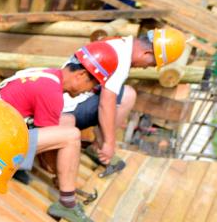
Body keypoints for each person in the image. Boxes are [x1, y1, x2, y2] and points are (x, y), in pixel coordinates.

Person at [0, 41, 117, 222]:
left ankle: (30, 171)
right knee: (71, 136)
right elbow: (50, 149)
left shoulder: (49, 76)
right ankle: (67, 202)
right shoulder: (51, 92)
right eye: (92, 86)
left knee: (68, 120)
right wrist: (58, 174)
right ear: (81, 75)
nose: (88, 92)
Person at [62, 28, 187, 176]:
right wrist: (110, 143)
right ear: (146, 53)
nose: (146, 67)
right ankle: (100, 147)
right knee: (124, 96)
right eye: (151, 64)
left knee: (125, 94)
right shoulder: (119, 58)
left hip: (63, 102)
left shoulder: (117, 43)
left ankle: (98, 145)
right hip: (65, 113)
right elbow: (106, 104)